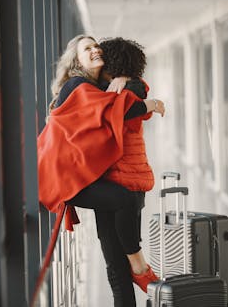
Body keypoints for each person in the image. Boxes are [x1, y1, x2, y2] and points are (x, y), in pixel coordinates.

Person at [37, 35, 165, 307]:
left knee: (116, 270)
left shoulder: (98, 88)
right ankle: (139, 264)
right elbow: (120, 111)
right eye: (87, 48)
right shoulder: (77, 84)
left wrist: (124, 82)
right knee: (123, 201)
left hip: (82, 176)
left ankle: (135, 267)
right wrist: (150, 104)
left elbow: (132, 93)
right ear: (76, 60)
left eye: (97, 46)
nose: (95, 49)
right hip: (63, 176)